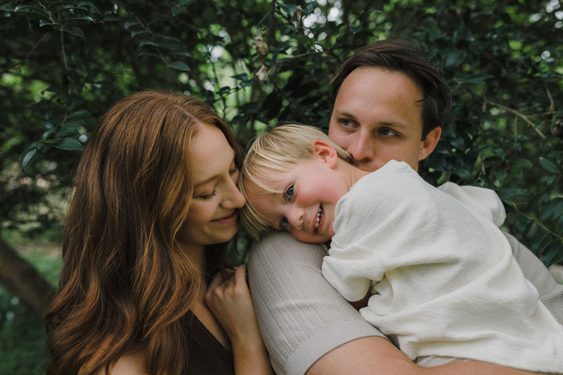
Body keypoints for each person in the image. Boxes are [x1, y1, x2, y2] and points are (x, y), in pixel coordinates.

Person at [246, 39, 563, 375]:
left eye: (386, 132)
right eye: (347, 123)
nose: (357, 150)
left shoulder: (467, 222)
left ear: (427, 143)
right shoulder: (287, 252)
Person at [44, 91, 273, 375]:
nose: (237, 199)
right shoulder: (117, 363)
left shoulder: (232, 283)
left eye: (233, 169)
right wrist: (247, 344)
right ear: (145, 209)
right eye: (205, 192)